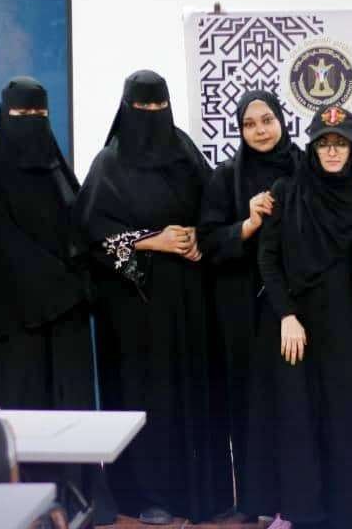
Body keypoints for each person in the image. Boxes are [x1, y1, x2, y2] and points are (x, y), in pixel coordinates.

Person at [75, 70, 231, 524]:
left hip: (191, 300)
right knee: (148, 394)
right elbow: (89, 235)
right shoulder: (108, 164)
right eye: (141, 108)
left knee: (195, 390)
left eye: (158, 107)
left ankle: (202, 493)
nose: (150, 116)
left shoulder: (185, 153)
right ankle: (147, 495)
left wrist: (199, 237)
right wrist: (151, 241)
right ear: (126, 109)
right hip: (135, 310)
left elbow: (215, 208)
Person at [255, 104, 352, 529]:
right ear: (311, 148)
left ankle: (349, 511)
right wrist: (287, 315)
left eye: (341, 143)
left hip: (342, 322)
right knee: (297, 415)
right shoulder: (287, 191)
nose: (332, 151)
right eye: (324, 143)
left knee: (343, 413)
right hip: (296, 323)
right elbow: (268, 260)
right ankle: (300, 510)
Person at [0, 76, 94, 410]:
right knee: (23, 404)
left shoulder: (57, 169)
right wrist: (64, 283)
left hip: (65, 318)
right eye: (21, 114)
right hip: (15, 319)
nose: (31, 122)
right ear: (5, 116)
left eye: (38, 114)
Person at [196, 90, 300, 520]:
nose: (260, 131)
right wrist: (249, 223)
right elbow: (207, 240)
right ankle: (257, 500)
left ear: (281, 120)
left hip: (294, 306)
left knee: (293, 401)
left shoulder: (303, 168)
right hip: (242, 308)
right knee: (250, 403)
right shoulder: (226, 178)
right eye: (249, 124)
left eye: (267, 120)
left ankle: (298, 498)